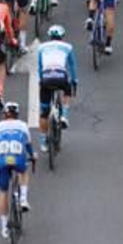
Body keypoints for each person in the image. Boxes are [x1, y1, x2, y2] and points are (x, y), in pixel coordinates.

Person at [0, 100, 35, 238]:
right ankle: (23, 198)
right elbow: (28, 146)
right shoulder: (23, 125)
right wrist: (33, 156)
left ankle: (4, 227)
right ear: (17, 114)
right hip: (17, 158)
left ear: (5, 114)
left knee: (3, 192)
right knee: (23, 170)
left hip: (3, 159)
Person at [34, 25, 76, 153]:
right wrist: (75, 81)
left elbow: (40, 66)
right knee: (67, 91)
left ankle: (43, 142)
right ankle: (64, 116)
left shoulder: (42, 47)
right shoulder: (68, 47)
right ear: (62, 37)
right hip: (60, 76)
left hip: (46, 77)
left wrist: (42, 81)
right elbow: (72, 66)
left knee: (44, 113)